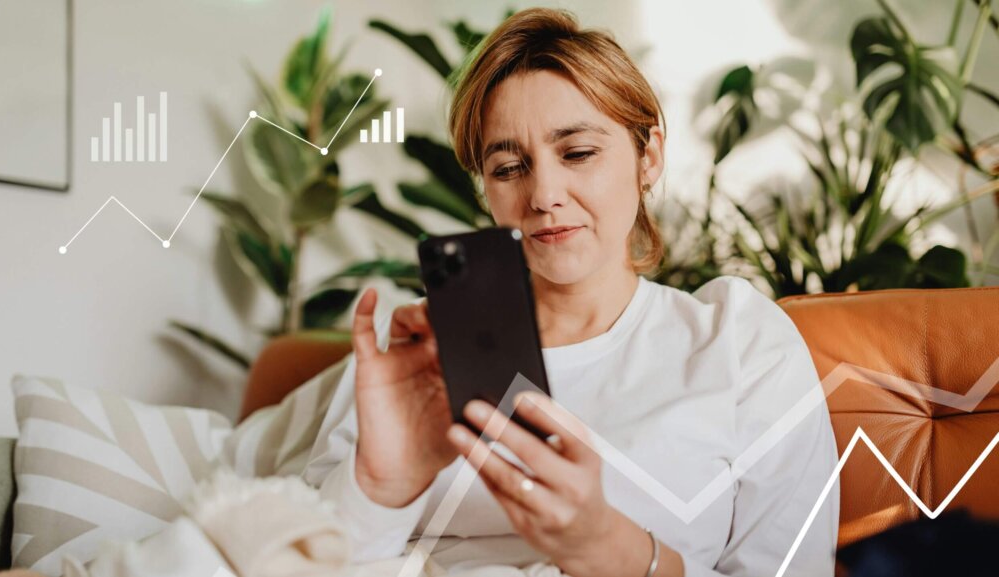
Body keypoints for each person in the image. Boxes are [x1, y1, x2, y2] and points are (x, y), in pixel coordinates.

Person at [303, 7, 839, 577]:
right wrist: (382, 485)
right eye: (509, 168)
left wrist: (603, 545)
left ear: (648, 155)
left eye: (578, 153)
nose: (543, 194)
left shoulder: (736, 340)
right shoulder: (419, 350)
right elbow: (305, 558)